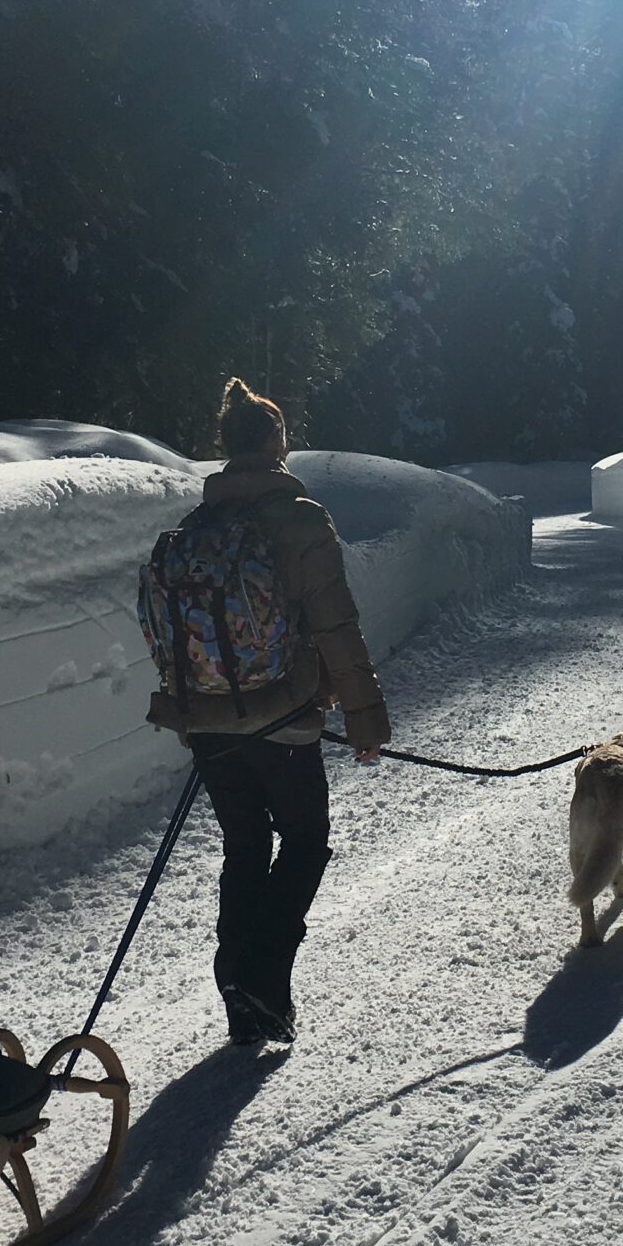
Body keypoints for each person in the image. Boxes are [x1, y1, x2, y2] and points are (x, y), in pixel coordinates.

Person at [144, 377, 390, 1046]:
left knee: (245, 847)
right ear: (277, 444)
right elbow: (335, 626)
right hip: (283, 716)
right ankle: (261, 977)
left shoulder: (199, 526)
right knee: (306, 842)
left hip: (209, 720)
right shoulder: (301, 518)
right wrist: (366, 722)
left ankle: (237, 986)